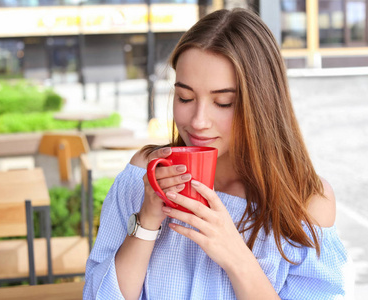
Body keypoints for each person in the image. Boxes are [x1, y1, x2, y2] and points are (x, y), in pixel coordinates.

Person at [84, 8, 351, 300]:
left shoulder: (306, 201)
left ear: (262, 105)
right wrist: (146, 221)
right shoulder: (144, 175)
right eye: (185, 97)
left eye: (223, 102)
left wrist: (235, 254)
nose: (198, 121)